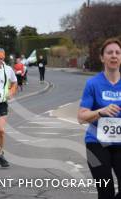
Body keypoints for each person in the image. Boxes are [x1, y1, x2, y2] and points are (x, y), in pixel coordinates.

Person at [77, 38, 121, 199]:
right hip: (96, 144)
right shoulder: (93, 84)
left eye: (117, 52)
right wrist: (101, 111)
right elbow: (81, 117)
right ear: (103, 58)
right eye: (110, 53)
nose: (114, 56)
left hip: (120, 144)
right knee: (106, 191)